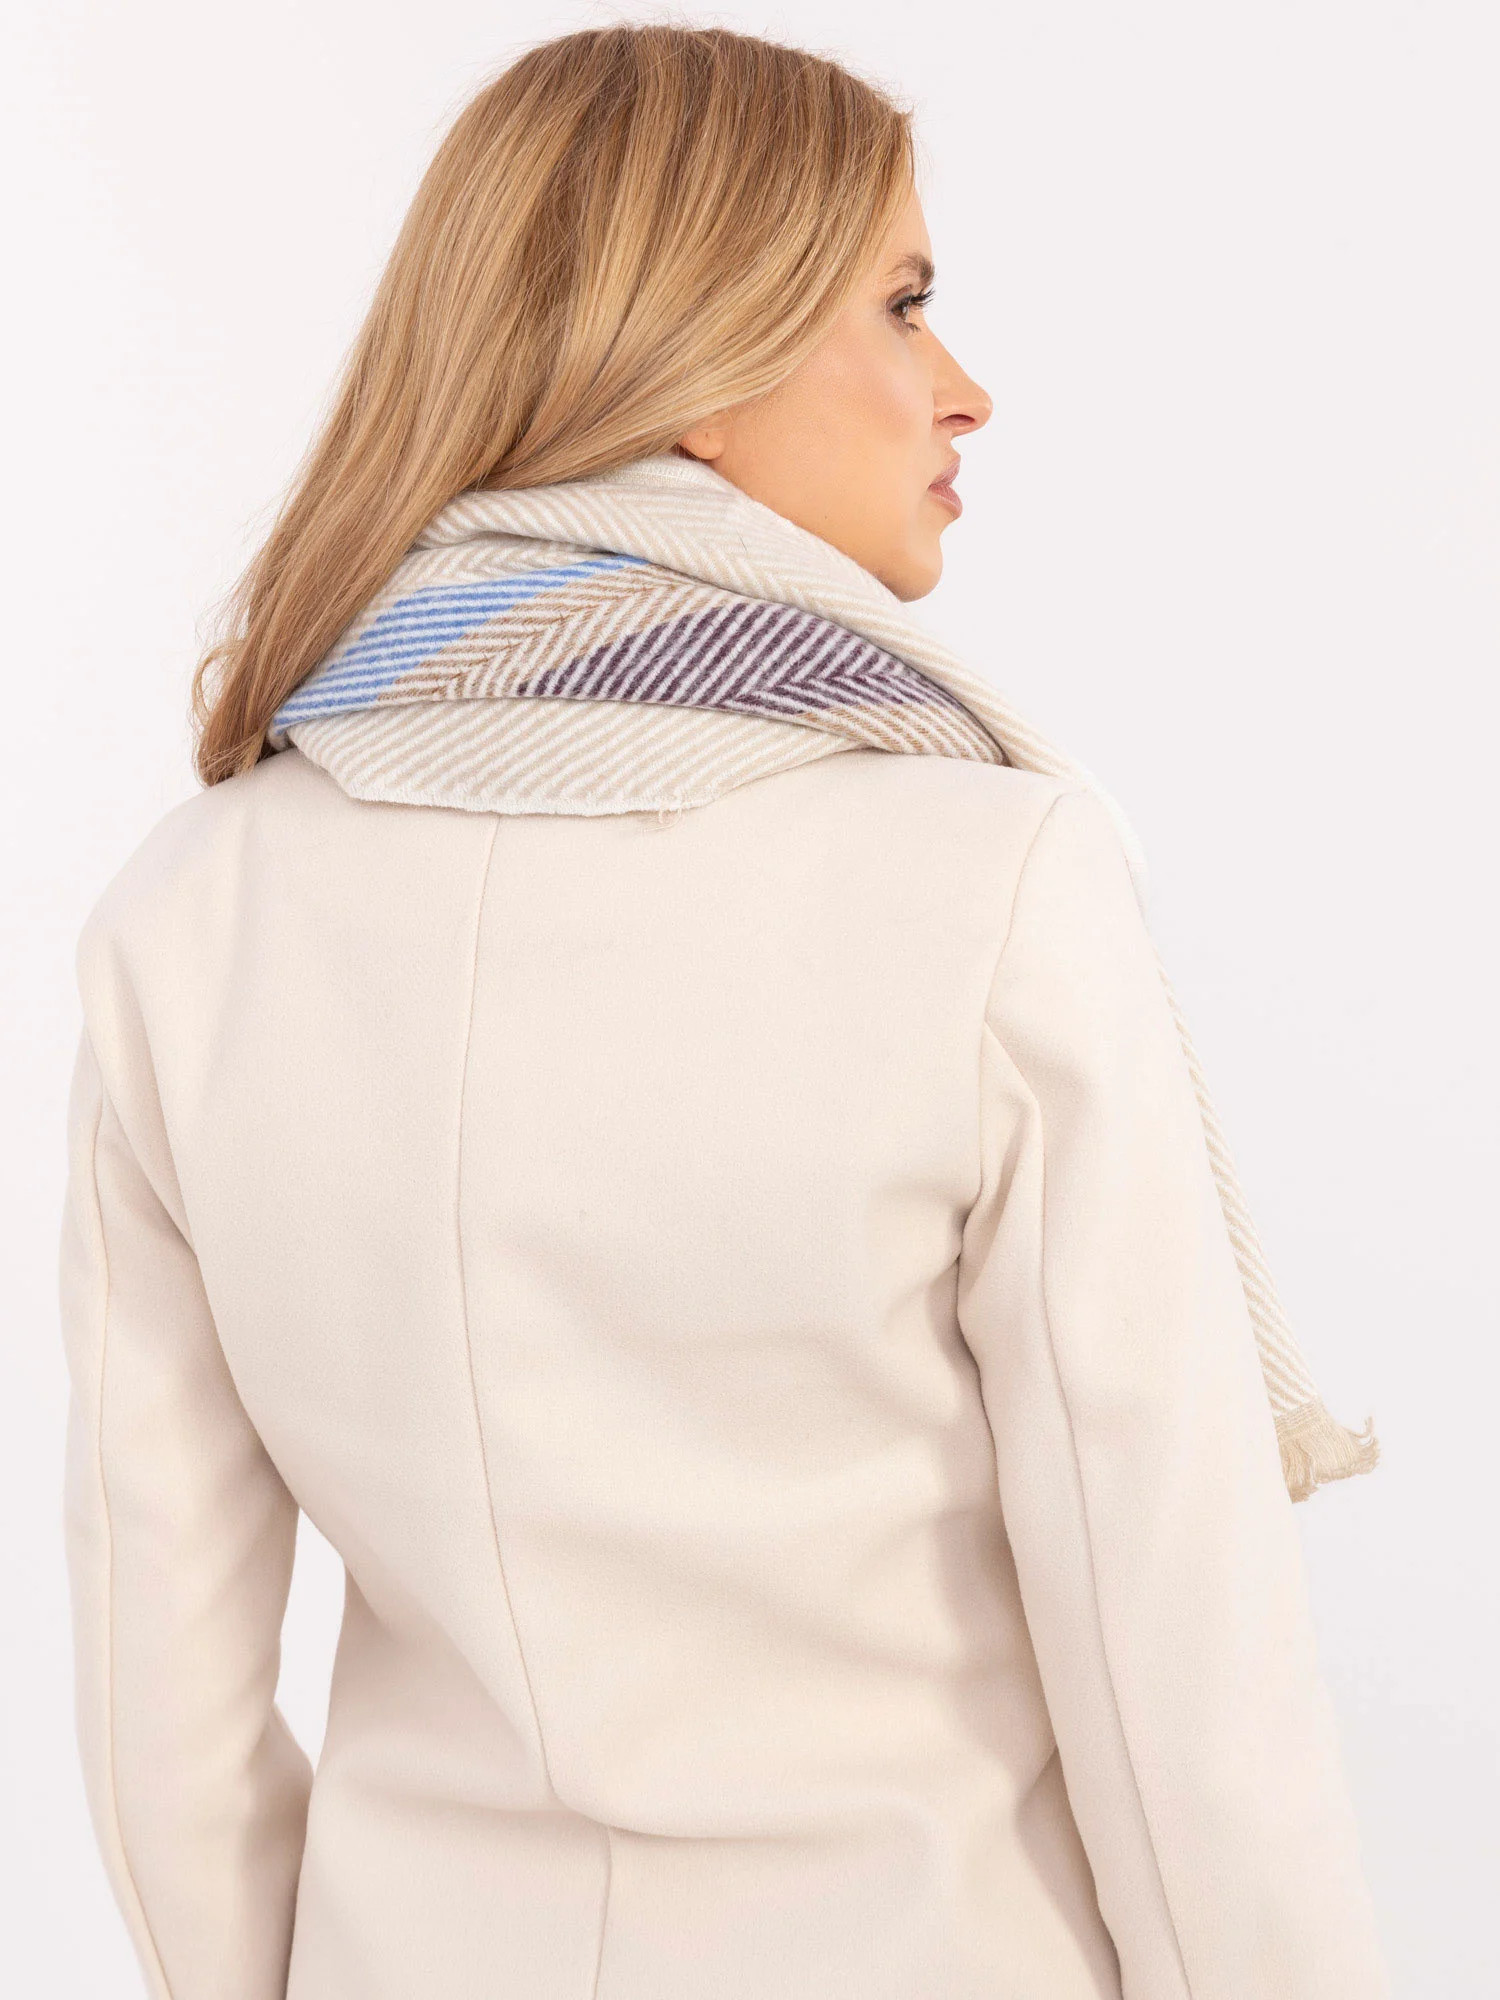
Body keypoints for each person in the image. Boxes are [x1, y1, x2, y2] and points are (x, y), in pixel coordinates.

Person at [57, 24, 1387, 2000]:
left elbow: (155, 1680)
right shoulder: (992, 881)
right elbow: (1172, 1645)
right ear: (691, 361)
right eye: (905, 305)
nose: (966, 386)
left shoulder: (189, 913)